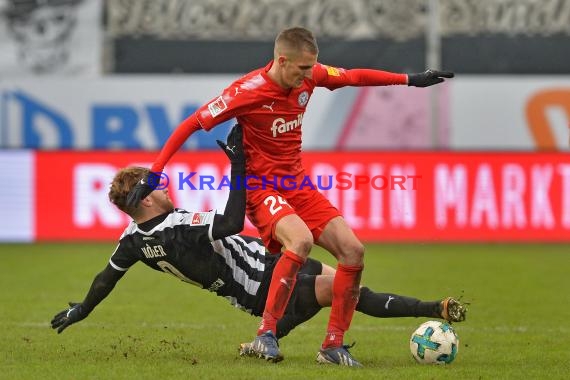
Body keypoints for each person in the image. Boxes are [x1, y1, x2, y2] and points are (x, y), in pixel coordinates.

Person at [125, 27, 454, 366]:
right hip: (260, 187)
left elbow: (354, 76)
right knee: (299, 241)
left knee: (353, 251)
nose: (310, 75)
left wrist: (410, 79)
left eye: (312, 67)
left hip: (297, 184)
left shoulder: (309, 76)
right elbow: (192, 123)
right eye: (302, 69)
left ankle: (332, 346)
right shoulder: (246, 91)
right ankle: (265, 335)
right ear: (282, 61)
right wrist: (155, 172)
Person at [51, 127, 467, 356]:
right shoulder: (178, 227)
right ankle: (428, 310)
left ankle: (269, 336)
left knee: (351, 287)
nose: (163, 186)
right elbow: (233, 221)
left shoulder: (132, 240)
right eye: (154, 185)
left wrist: (82, 309)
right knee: (347, 291)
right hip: (260, 283)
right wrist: (237, 166)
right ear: (143, 198)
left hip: (268, 264)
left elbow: (107, 278)